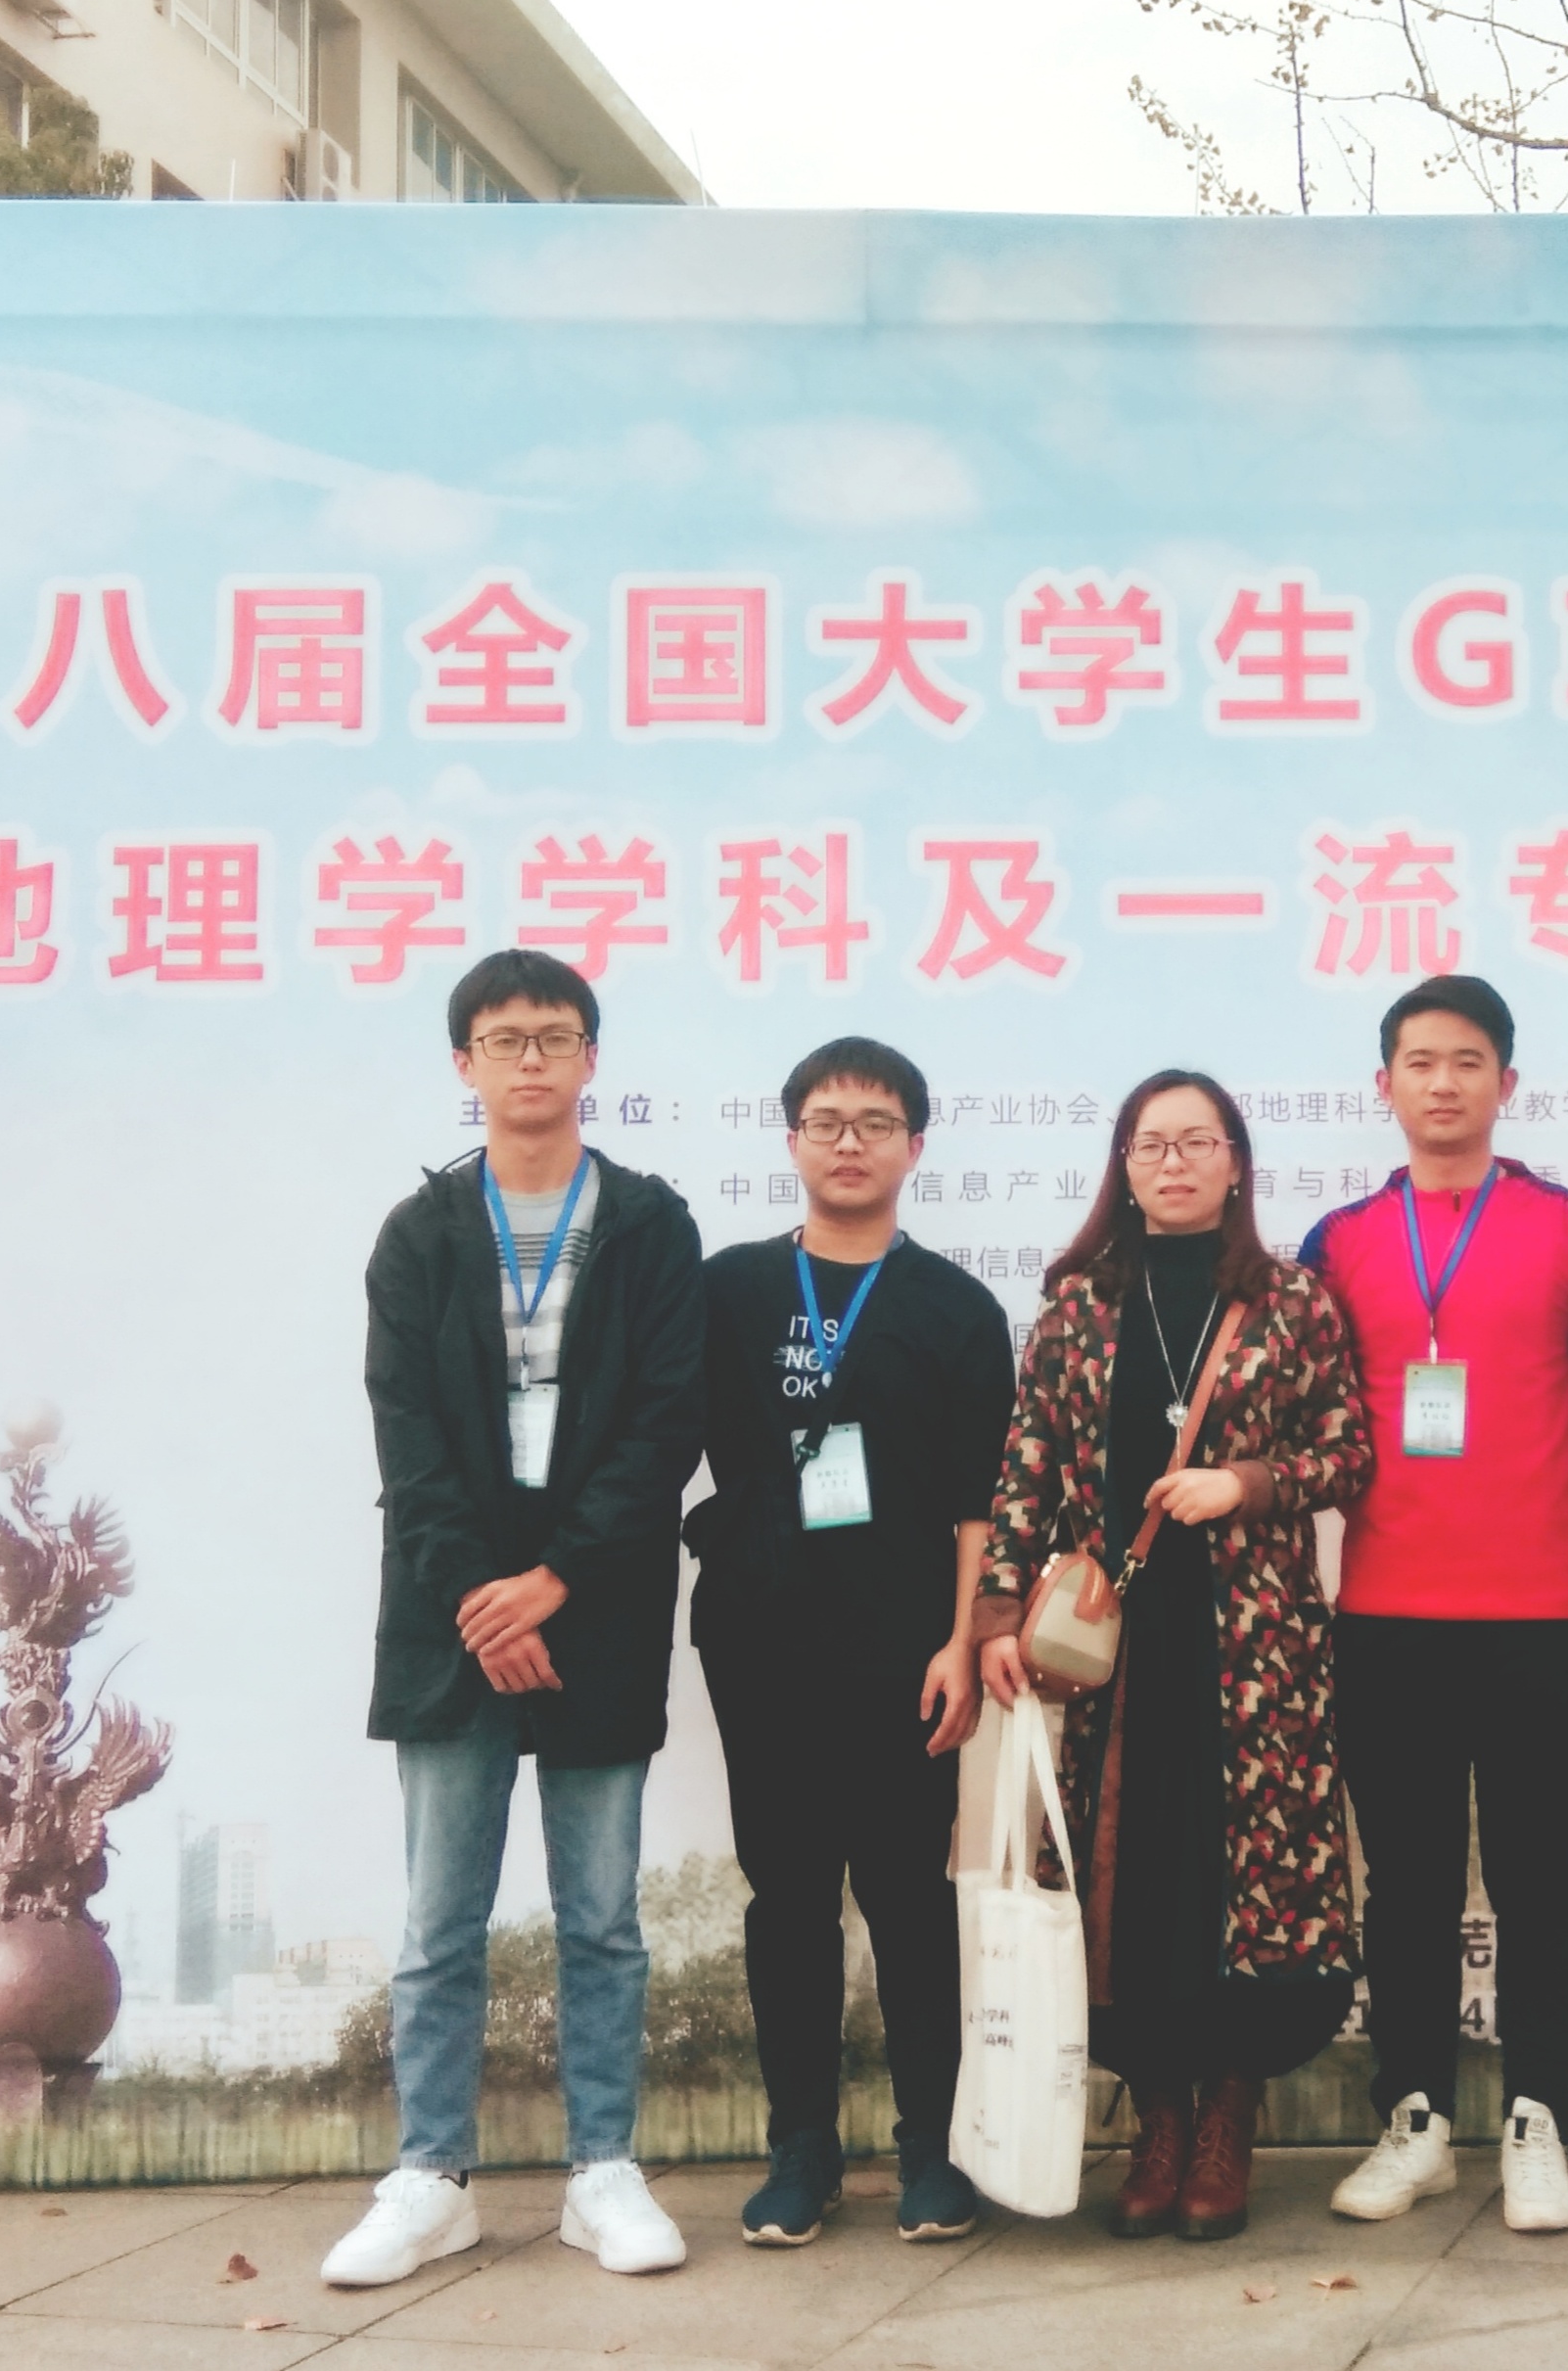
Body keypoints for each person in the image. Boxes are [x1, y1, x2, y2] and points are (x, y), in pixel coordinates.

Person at [325, 950, 709, 2289]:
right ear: (465, 1063)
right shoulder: (420, 1234)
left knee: (602, 1917)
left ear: (592, 1058)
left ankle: (603, 2169)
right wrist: (482, 1601)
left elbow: (666, 1423)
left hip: (594, 1610)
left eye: (555, 1036)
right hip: (452, 1621)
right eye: (505, 1038)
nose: (531, 1059)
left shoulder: (651, 1225)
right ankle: (431, 2176)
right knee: (442, 1923)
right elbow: (407, 1439)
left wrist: (555, 1580)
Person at [975, 1071, 1371, 2242]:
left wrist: (1246, 1483)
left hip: (1257, 1646)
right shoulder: (1080, 1307)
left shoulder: (1292, 1303)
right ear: (1125, 1166)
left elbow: (1346, 1453)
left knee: (1247, 1880)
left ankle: (1228, 2116)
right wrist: (997, 1611)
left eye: (1199, 1142)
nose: (1176, 1163)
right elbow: (1026, 1467)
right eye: (1153, 1145)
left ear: (1236, 1162)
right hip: (1113, 1649)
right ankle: (1158, 2119)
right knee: (1130, 1880)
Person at [1298, 976, 1568, 2233]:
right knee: (1408, 1887)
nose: (1444, 1082)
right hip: (1387, 1619)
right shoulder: (1337, 1244)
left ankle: (1539, 2116)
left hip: (1546, 1617)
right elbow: (1308, 1429)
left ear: (1508, 1083)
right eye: (1421, 1061)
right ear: (1383, 1083)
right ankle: (1418, 2119)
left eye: (1469, 1061)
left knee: (1544, 1881)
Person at [689, 1038, 1014, 2249]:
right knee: (786, 1902)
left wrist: (962, 1639)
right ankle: (802, 2153)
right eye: (826, 1121)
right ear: (792, 1141)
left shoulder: (956, 1308)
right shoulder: (728, 1290)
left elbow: (980, 1503)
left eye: (876, 1122)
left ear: (914, 1147)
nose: (849, 1142)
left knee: (910, 1902)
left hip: (904, 1651)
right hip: (760, 1640)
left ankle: (933, 2149)